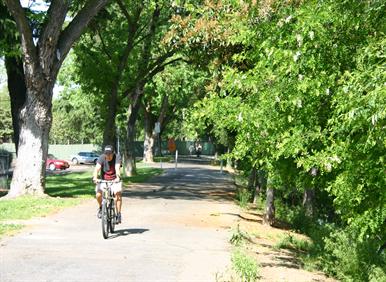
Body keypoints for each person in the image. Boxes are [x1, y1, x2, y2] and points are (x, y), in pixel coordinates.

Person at [93, 145, 122, 224]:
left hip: (115, 180)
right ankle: (101, 207)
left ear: (113, 153)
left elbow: (117, 168)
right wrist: (95, 177)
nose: (108, 156)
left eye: (109, 154)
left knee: (117, 195)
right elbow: (97, 169)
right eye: (106, 154)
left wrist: (118, 177)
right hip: (103, 180)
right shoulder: (102, 157)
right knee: (98, 195)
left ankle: (118, 214)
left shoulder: (117, 157)